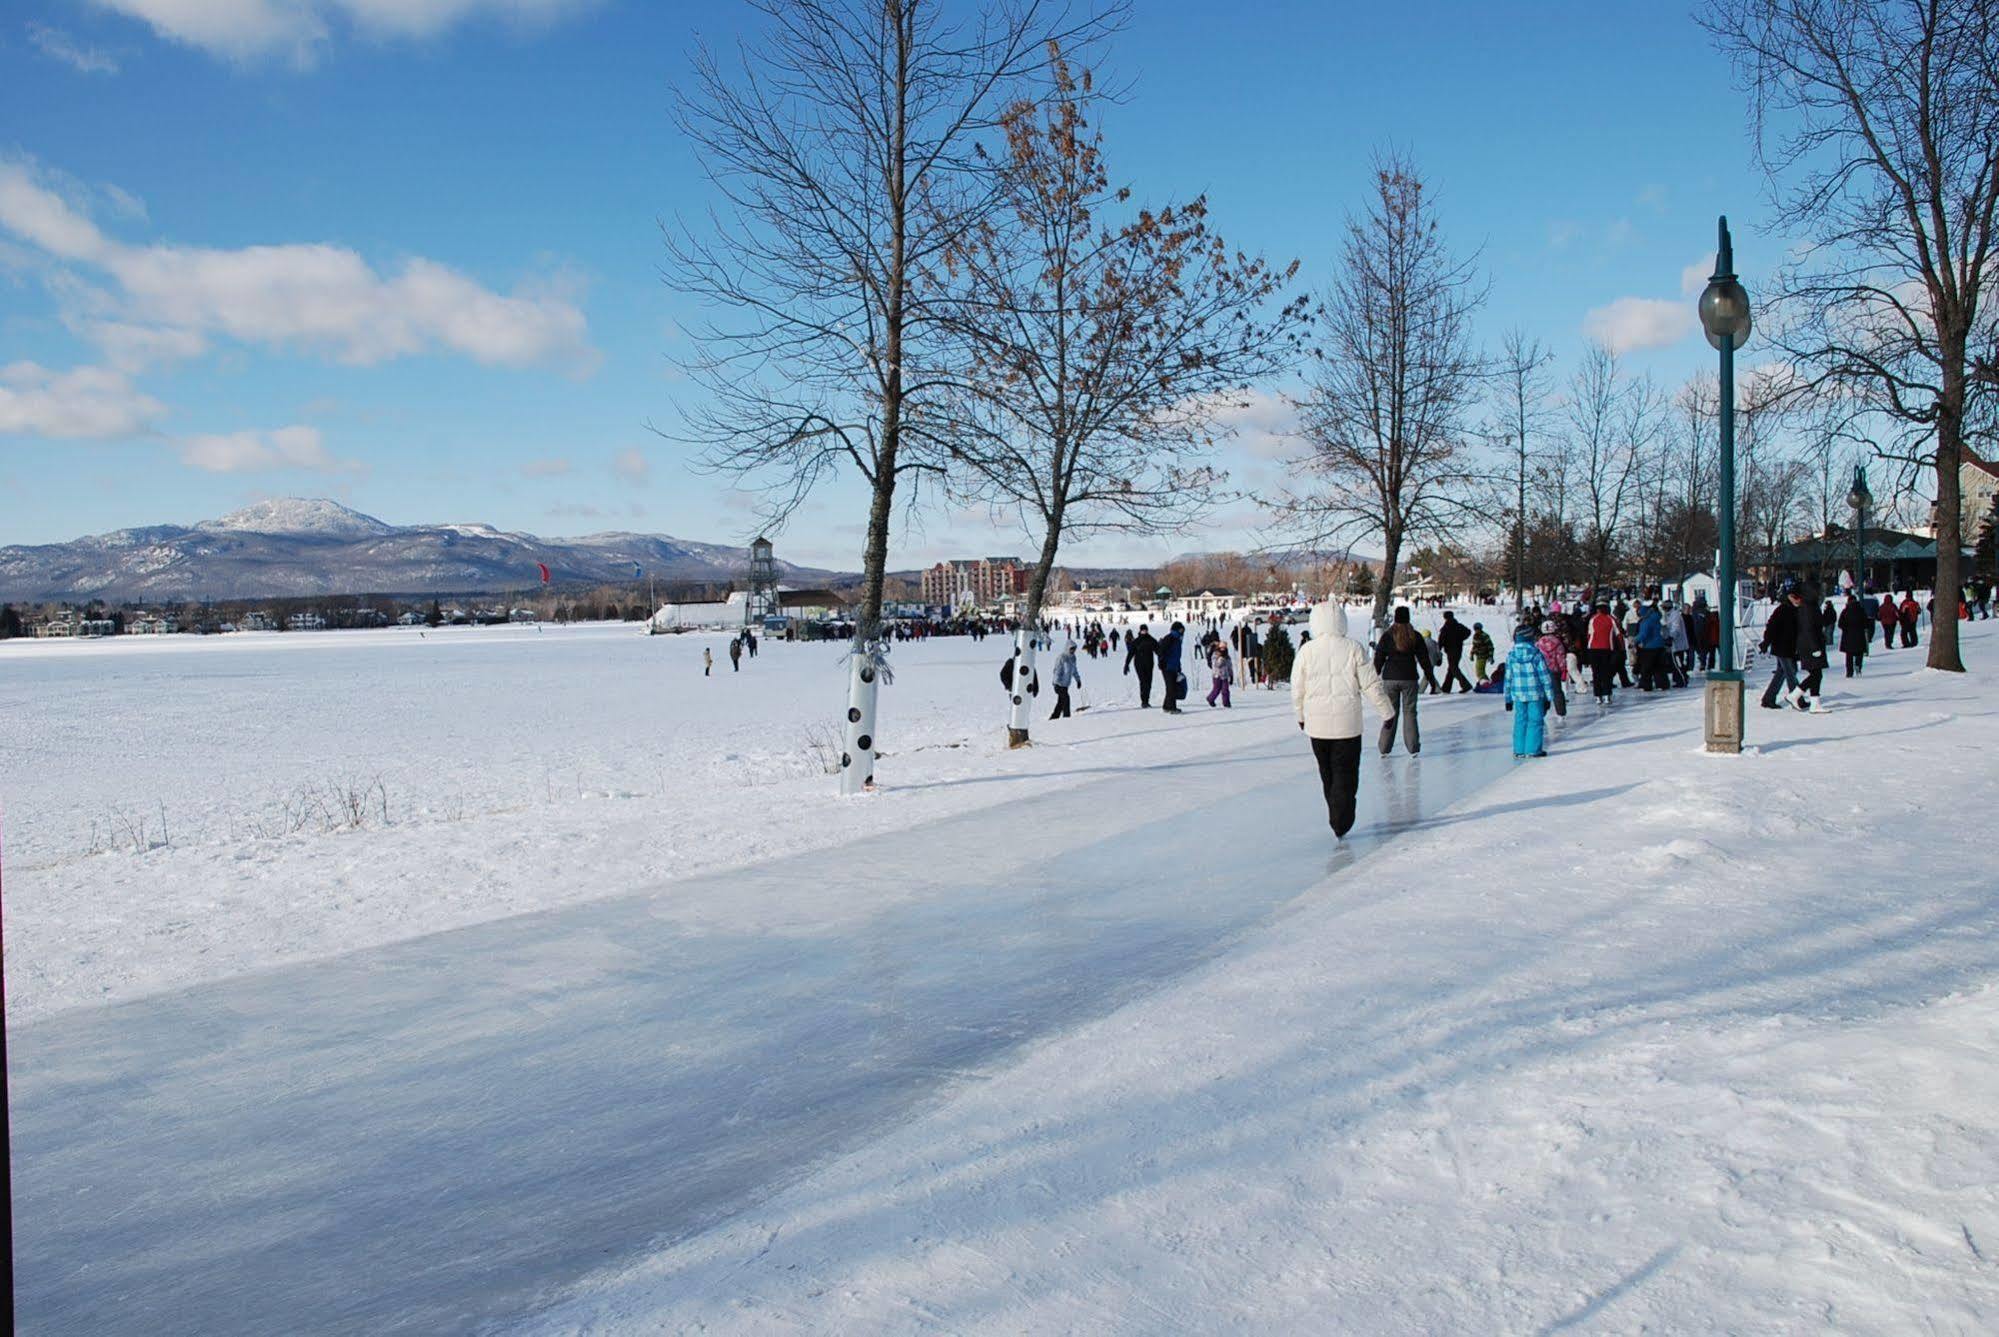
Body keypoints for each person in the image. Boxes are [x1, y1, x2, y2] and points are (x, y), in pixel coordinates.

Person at [1291, 602, 1396, 838]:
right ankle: (1342, 816)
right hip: (1348, 726)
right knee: (1346, 773)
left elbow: (1297, 688)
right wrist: (1386, 711)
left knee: (1327, 772)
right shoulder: (1353, 648)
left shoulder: (1307, 651)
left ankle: (1336, 815)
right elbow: (1371, 684)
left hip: (1317, 727)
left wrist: (1300, 715)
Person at [1373, 607, 1433, 754]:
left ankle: (1384, 747)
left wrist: (1375, 674)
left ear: (1395, 618)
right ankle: (1413, 747)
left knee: (1391, 713)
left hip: (1390, 678)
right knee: (1410, 712)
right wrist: (1430, 677)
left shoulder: (1388, 636)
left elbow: (1379, 657)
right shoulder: (1415, 636)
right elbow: (1424, 659)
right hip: (1409, 678)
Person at [1504, 625, 1556, 758]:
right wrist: (1549, 697)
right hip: (1535, 694)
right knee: (1535, 721)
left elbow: (1508, 678)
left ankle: (1519, 750)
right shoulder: (1536, 655)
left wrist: (1508, 699)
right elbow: (1545, 677)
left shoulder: (1511, 656)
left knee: (1520, 720)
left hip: (1518, 695)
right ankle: (1533, 750)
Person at [1758, 582, 1806, 709]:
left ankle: (1768, 698)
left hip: (1789, 648)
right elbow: (1771, 627)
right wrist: (1766, 642)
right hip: (1782, 648)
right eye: (1796, 597)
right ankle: (1797, 698)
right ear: (1789, 597)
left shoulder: (1796, 610)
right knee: (1790, 673)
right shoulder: (1783, 610)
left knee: (1782, 672)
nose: (1798, 600)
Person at [1585, 601, 1621, 705]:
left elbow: (1589, 634)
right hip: (1607, 648)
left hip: (1593, 649)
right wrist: (1621, 647)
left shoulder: (1593, 619)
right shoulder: (1611, 619)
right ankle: (1606, 695)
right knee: (1606, 673)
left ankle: (1597, 696)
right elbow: (1618, 634)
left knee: (1596, 673)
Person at [1535, 619, 1569, 717]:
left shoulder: (1539, 643)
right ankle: (1561, 712)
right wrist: (1563, 670)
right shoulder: (1557, 642)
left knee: (1543, 691)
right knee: (1557, 691)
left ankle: (1543, 711)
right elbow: (1561, 657)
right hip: (1554, 670)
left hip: (1542, 670)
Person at [1437, 610, 1473, 693]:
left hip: (1450, 650)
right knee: (1451, 668)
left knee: (1453, 668)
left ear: (1445, 617)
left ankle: (1466, 685)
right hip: (1458, 649)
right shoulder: (1458, 625)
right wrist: (1460, 639)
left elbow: (1441, 640)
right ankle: (1446, 688)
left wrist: (1439, 648)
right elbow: (1468, 632)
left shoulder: (1445, 628)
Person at [1124, 623, 1159, 708]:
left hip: (1149, 664)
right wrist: (1126, 664)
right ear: (1140, 631)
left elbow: (1158, 650)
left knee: (1149, 682)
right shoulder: (1136, 641)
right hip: (1139, 664)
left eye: (1145, 630)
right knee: (1143, 682)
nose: (1144, 632)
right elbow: (1131, 653)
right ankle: (1144, 701)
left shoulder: (1151, 640)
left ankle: (1147, 700)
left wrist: (1163, 658)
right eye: (1143, 630)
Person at [1837, 592, 1871, 677]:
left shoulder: (1845, 611)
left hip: (1848, 637)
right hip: (1859, 636)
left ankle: (1849, 671)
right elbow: (1866, 623)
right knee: (1859, 653)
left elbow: (1840, 624)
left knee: (1849, 655)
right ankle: (1858, 667)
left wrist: (1846, 628)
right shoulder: (1861, 610)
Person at [1159, 621, 1187, 714]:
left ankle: (1166, 706)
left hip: (1174, 666)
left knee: (1171, 687)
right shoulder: (1170, 638)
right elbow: (1162, 651)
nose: (1182, 631)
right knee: (1171, 688)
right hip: (1167, 666)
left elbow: (1177, 655)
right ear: (1177, 629)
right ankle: (1172, 708)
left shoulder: (1178, 639)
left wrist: (1179, 667)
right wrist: (1161, 662)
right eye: (1181, 629)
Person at [1050, 643, 1081, 719]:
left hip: (1065, 685)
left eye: (1074, 649)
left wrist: (1078, 680)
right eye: (1071, 649)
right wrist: (1056, 683)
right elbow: (1057, 670)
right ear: (1067, 648)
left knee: (1061, 702)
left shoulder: (1073, 658)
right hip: (1058, 684)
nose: (1073, 651)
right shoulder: (1062, 657)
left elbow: (1074, 670)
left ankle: (1054, 717)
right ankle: (1067, 718)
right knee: (1066, 699)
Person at [1206, 642, 1234, 708]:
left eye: (1224, 648)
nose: (1223, 649)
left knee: (1225, 690)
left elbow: (1230, 666)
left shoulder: (1227, 656)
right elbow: (1216, 665)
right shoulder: (1215, 655)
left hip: (1225, 676)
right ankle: (1210, 699)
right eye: (1221, 648)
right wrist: (1221, 658)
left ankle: (1226, 703)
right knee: (1216, 689)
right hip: (1217, 675)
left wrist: (1231, 675)